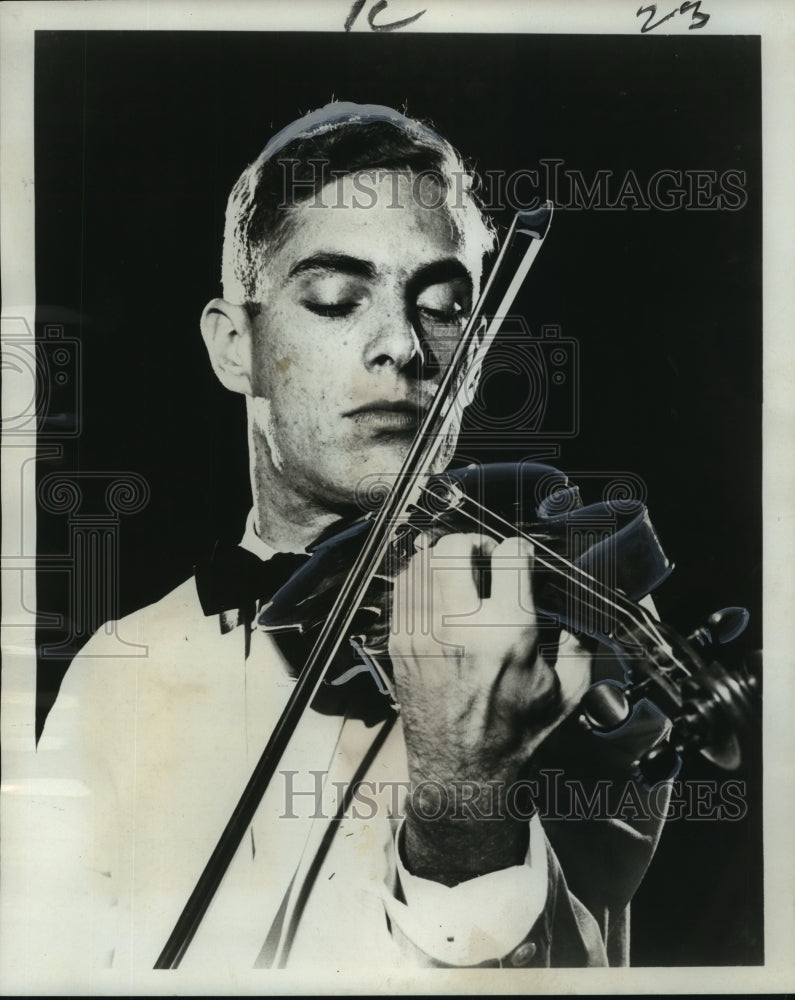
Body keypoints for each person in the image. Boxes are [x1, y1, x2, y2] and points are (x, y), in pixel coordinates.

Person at [23, 102, 670, 978]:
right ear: (235, 346)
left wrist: (466, 798)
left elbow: (568, 966)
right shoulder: (115, 664)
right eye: (334, 299)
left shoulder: (546, 648)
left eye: (442, 306)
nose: (402, 345)